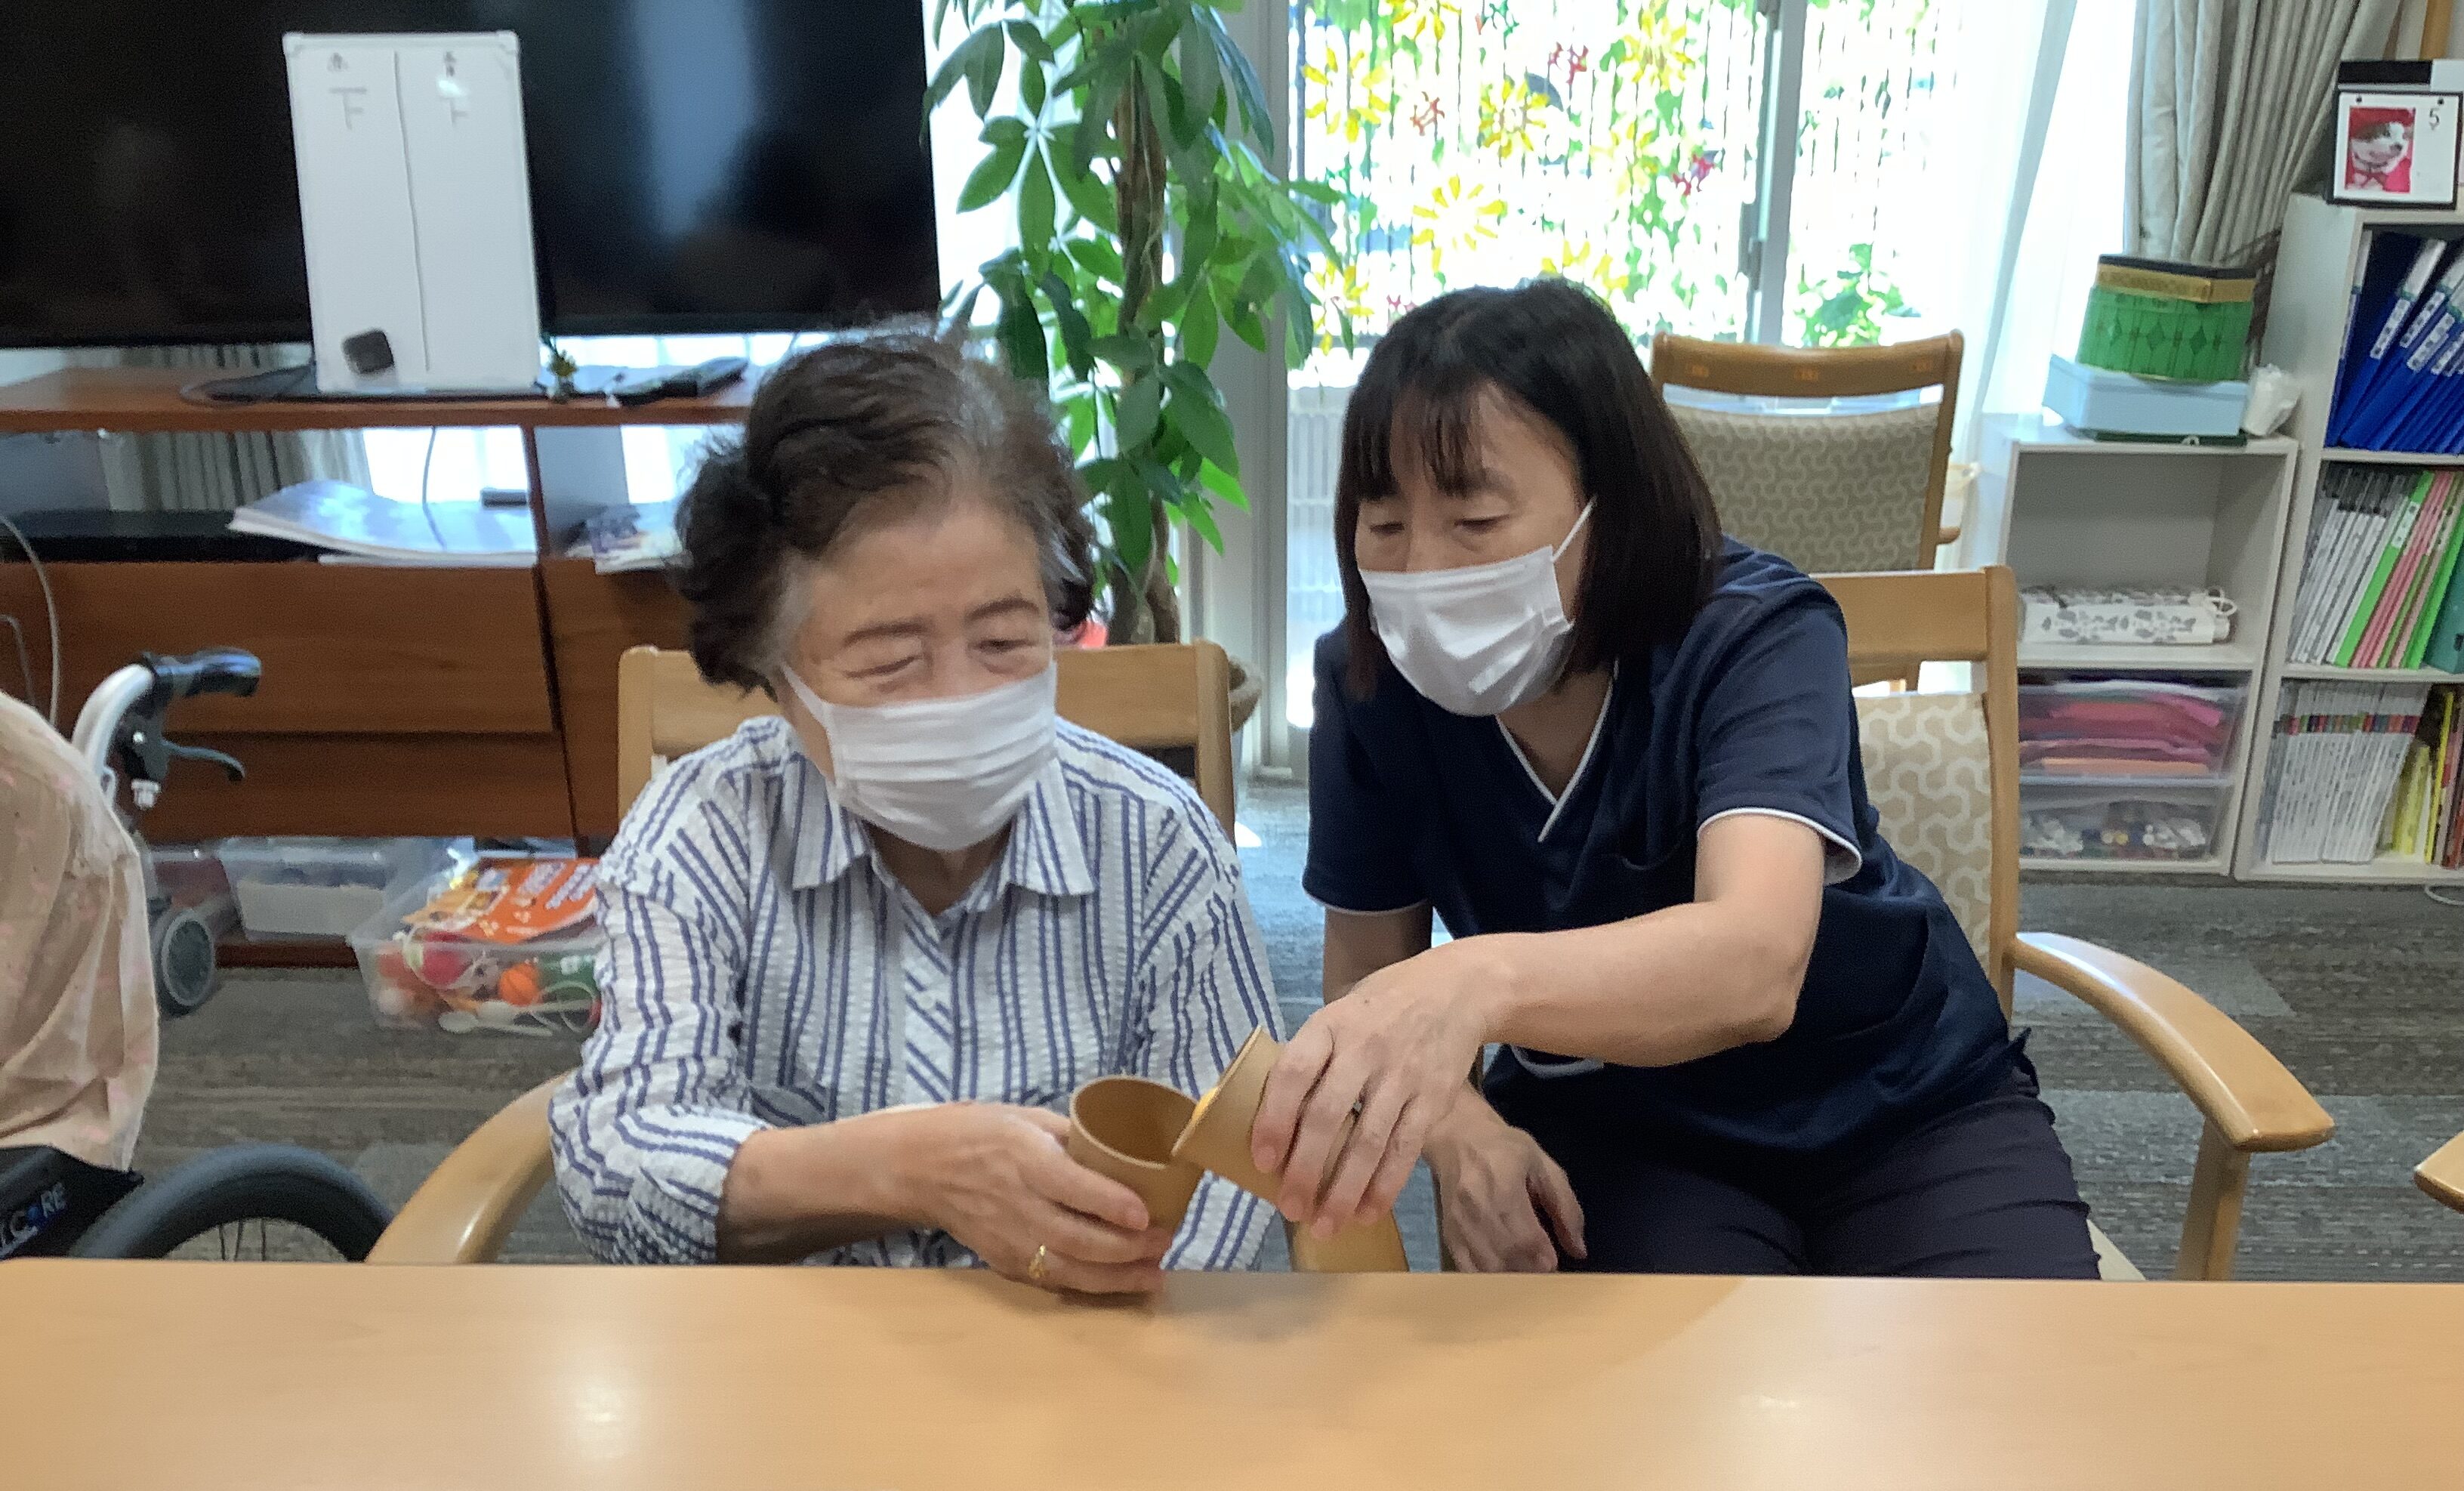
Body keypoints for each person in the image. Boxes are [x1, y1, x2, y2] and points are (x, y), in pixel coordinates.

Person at [1255, 280, 2098, 1279]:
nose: (1422, 571)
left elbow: (1753, 961)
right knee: (1660, 1378)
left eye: (1473, 519)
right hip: (1623, 1122)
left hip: (1898, 1099)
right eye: (1383, 523)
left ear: (1606, 508)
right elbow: (1365, 974)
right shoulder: (1368, 684)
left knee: (2011, 1363)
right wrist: (1461, 1129)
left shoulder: (1753, 634)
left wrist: (1472, 982)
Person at [550, 329, 1283, 1290]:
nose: (957, 698)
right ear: (773, 675)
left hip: (1092, 1353)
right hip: (787, 1358)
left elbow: (1232, 1168)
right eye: (891, 660)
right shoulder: (702, 837)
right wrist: (904, 1170)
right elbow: (615, 1169)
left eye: (1004, 641)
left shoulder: (1151, 840)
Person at [2345, 108, 2413, 194]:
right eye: (2386, 134)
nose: (2400, 143)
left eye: (2404, 137)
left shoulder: (2406, 172)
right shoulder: (2342, 163)